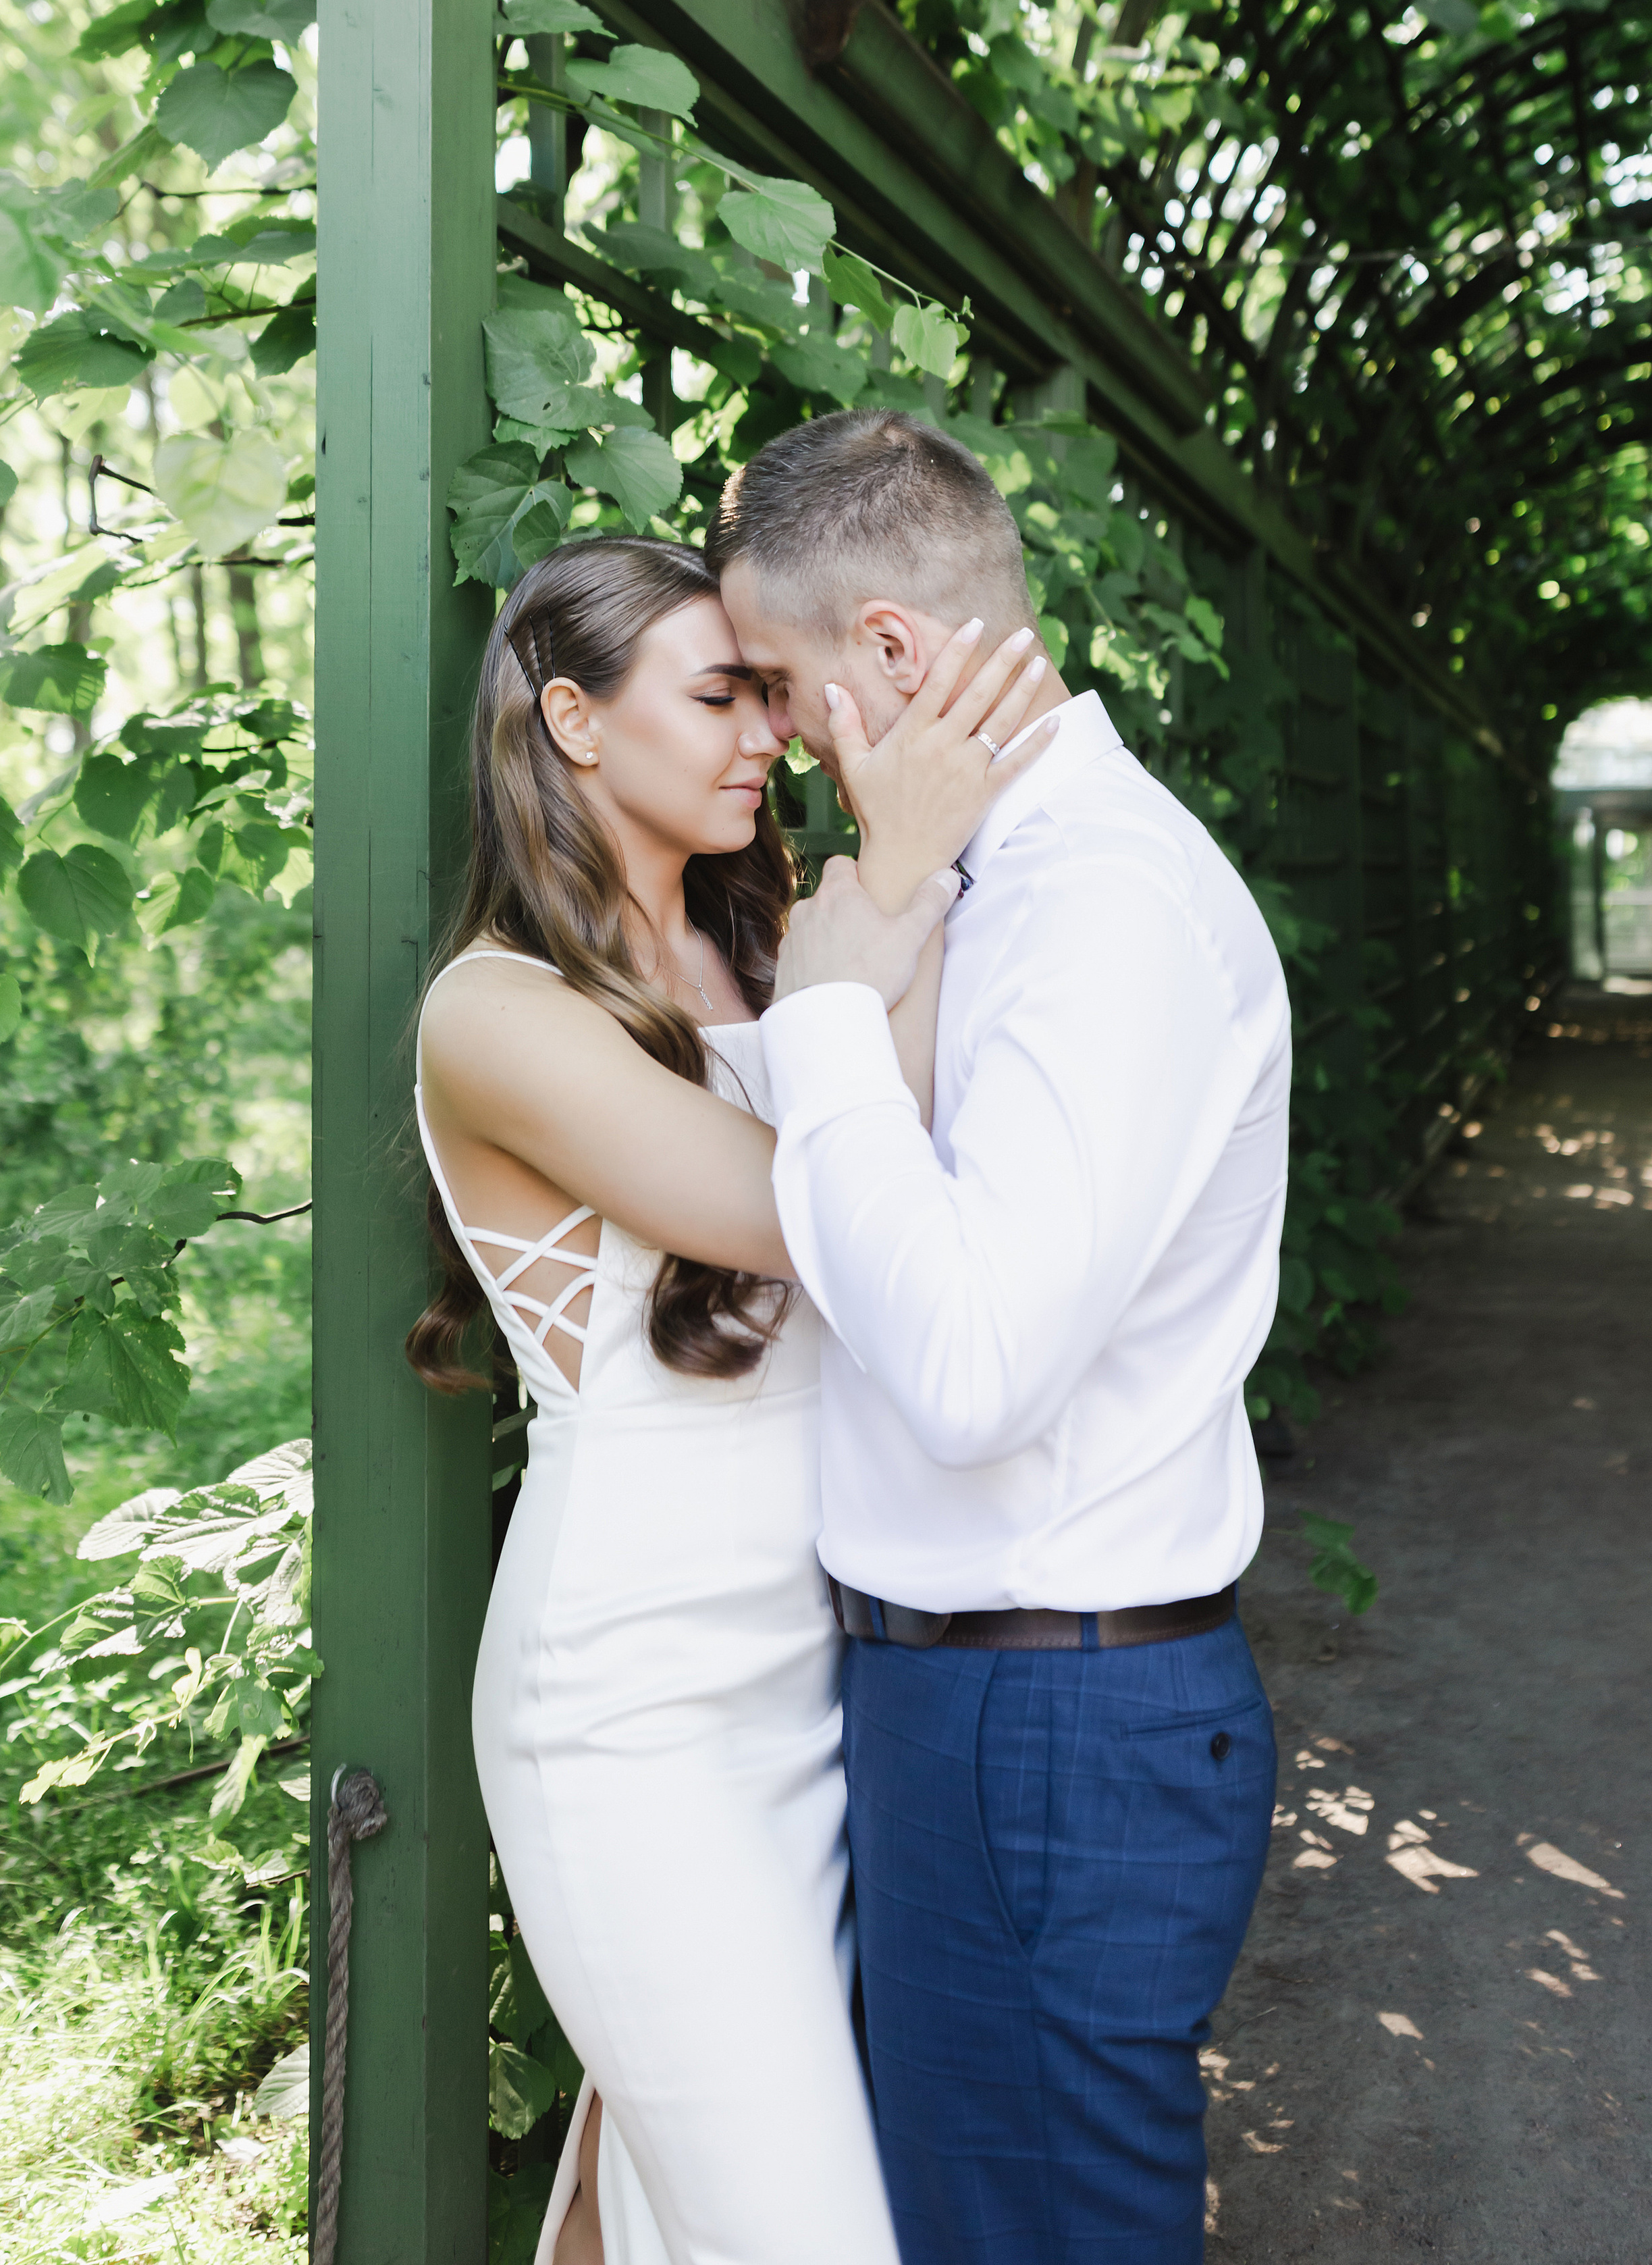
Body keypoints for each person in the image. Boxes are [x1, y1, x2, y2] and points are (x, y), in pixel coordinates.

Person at [407, 535, 1044, 2265]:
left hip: (821, 1684)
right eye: (717, 695)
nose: (766, 731)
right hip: (636, 1709)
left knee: (676, 2206)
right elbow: (806, 1211)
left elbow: (914, 1193)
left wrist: (868, 933)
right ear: (574, 722)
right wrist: (895, 891)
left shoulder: (778, 959)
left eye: (770, 693)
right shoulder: (497, 1013)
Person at [711, 407, 1291, 2265]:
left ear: (889, 652)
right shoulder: (999, 887)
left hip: (1043, 1715)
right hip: (985, 1702)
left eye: (789, 686)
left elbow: (969, 1369)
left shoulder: (1104, 904)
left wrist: (817, 1018)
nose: (785, 738)